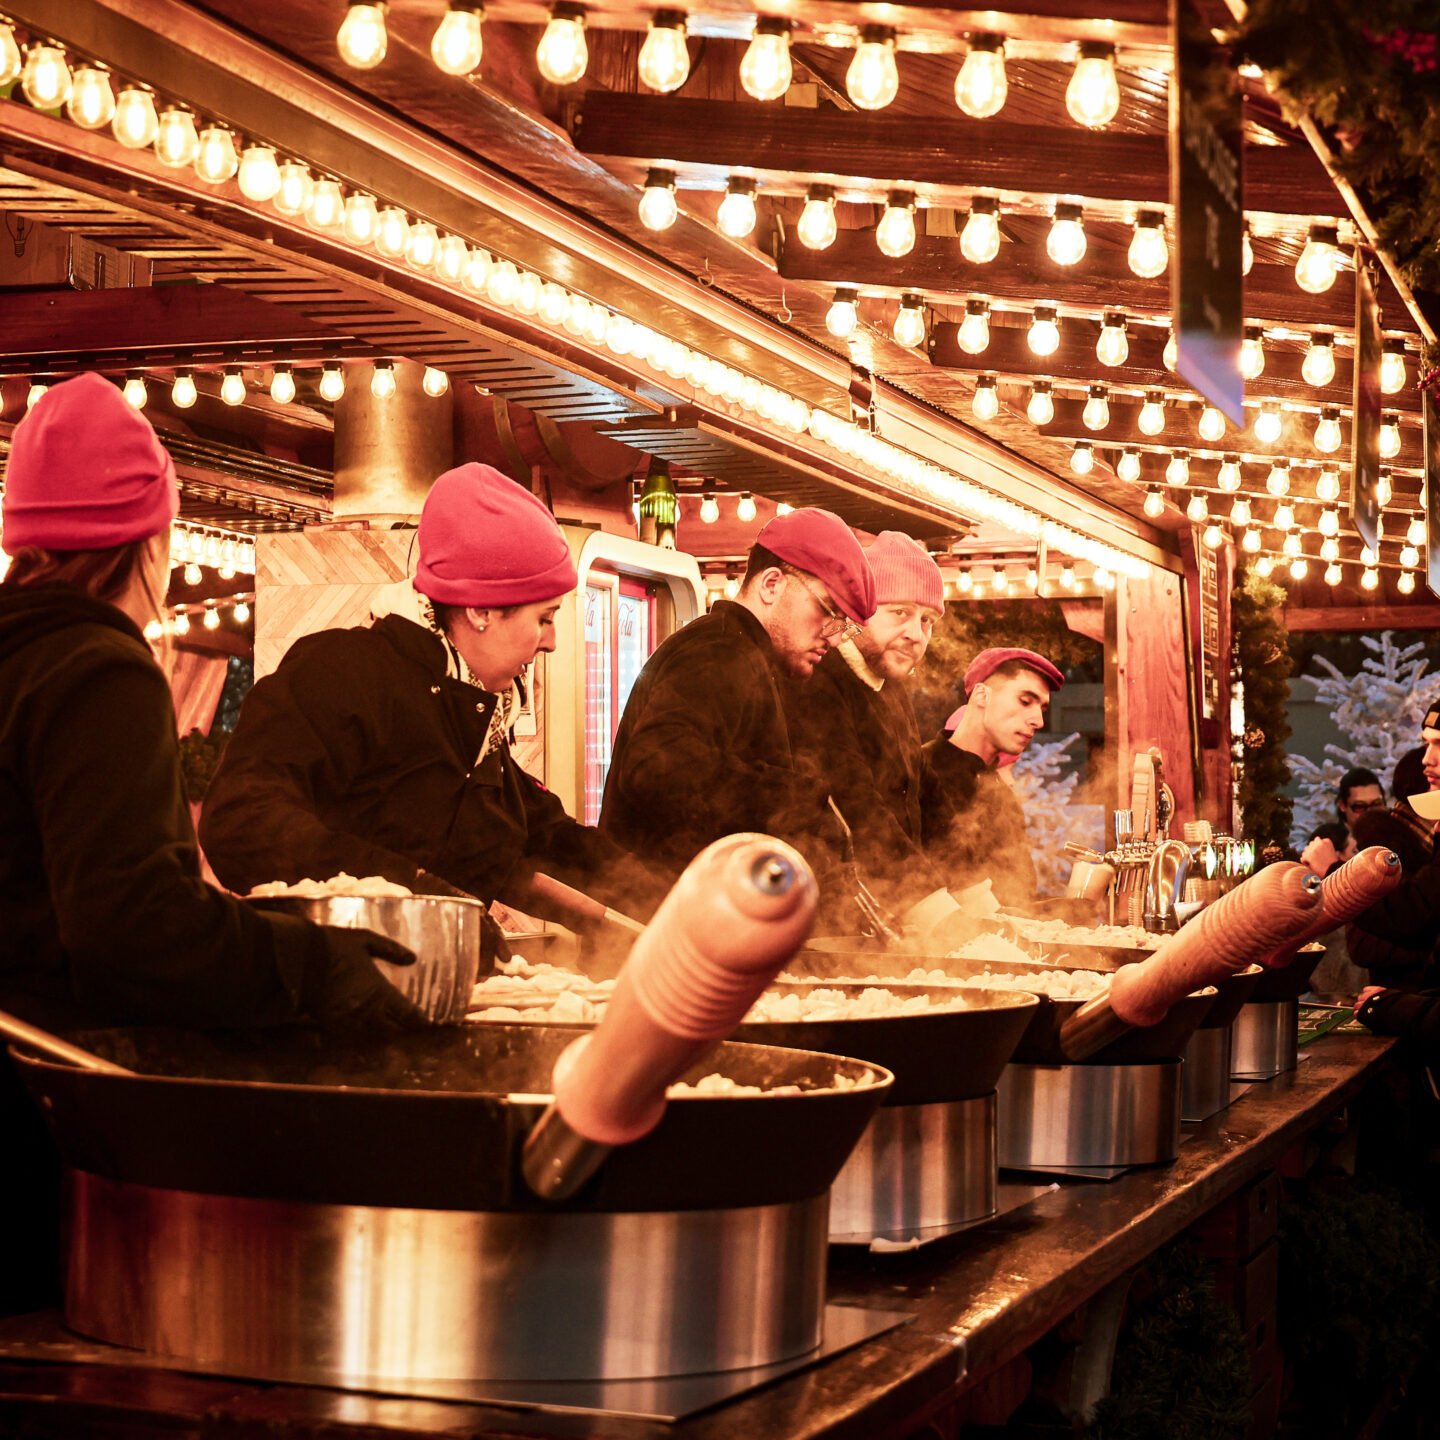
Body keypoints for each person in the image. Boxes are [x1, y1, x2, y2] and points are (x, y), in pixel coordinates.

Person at [0, 373, 416, 1311]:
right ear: (150, 538)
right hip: (39, 1126)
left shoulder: (16, 652)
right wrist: (319, 968)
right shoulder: (97, 665)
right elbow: (130, 930)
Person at [201, 463, 637, 926]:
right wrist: (413, 898)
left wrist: (664, 899)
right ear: (481, 610)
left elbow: (541, 841)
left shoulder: (474, 718)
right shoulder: (341, 674)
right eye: (544, 619)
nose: (549, 642)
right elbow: (240, 820)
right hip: (326, 985)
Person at [600, 507, 875, 884]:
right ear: (772, 584)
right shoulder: (722, 651)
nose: (835, 636)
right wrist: (796, 796)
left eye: (844, 625)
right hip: (664, 925)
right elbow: (657, 770)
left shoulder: (746, 654)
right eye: (827, 610)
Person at [784, 531, 950, 932]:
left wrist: (979, 895)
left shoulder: (892, 689)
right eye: (900, 613)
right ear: (859, 612)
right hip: (830, 924)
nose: (916, 633)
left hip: (892, 915)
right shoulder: (822, 683)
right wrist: (939, 918)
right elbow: (856, 807)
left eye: (927, 621)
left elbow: (930, 800)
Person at [921, 647, 1064, 908]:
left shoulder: (1003, 796)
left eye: (1042, 708)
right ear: (981, 695)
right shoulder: (921, 770)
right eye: (1025, 701)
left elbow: (1019, 901)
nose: (1038, 720)